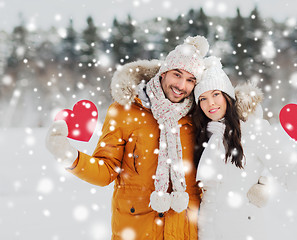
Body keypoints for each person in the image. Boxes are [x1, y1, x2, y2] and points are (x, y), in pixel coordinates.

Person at [45, 36, 210, 240]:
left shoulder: (198, 117)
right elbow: (106, 171)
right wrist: (70, 157)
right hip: (137, 230)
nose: (182, 85)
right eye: (177, 75)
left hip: (185, 231)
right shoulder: (125, 110)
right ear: (163, 73)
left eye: (190, 80)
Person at [192, 57, 297, 240]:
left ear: (227, 96)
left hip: (244, 231)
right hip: (208, 233)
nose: (210, 104)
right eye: (203, 98)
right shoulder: (204, 136)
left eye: (216, 94)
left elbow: (291, 180)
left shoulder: (254, 130)